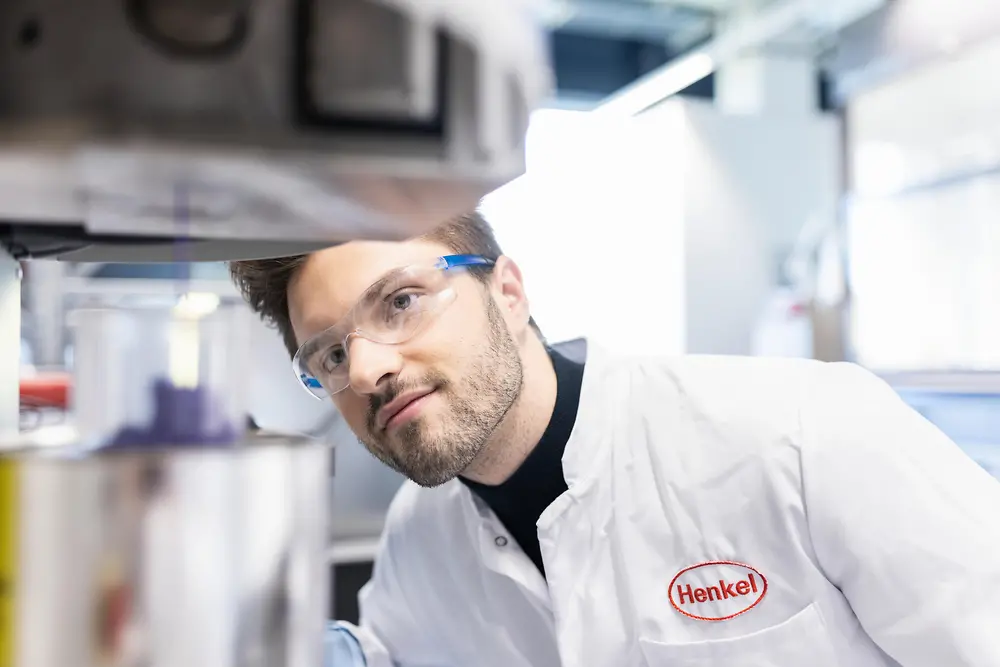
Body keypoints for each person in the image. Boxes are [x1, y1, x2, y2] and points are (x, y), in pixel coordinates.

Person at [230, 211, 1000, 667]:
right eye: (329, 354)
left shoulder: (805, 431)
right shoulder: (418, 537)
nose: (364, 369)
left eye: (400, 301)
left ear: (507, 289)